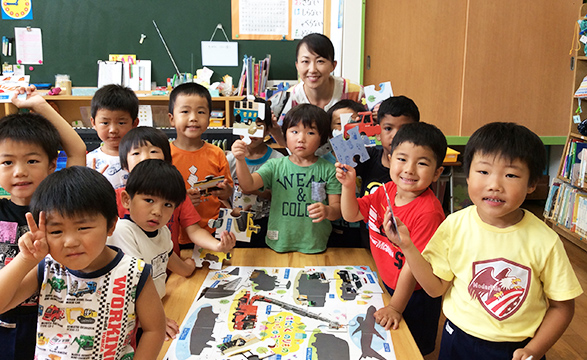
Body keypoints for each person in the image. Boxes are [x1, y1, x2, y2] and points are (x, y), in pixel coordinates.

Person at [388, 122, 583, 360]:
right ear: (467, 176)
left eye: (511, 175)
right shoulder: (454, 225)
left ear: (532, 183)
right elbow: (435, 287)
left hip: (518, 348)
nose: (494, 185)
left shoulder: (546, 241)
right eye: (483, 172)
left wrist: (534, 349)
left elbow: (562, 306)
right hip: (457, 339)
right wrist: (407, 246)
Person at [0, 166, 165, 359]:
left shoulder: (134, 273)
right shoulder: (47, 267)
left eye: (83, 227)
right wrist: (25, 259)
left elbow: (154, 330)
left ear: (111, 225)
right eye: (56, 232)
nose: (70, 242)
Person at [336, 122, 446, 357]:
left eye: (422, 163)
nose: (409, 169)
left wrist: (396, 306)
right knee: (390, 345)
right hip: (387, 284)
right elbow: (352, 214)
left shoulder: (428, 212)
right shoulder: (385, 190)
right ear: (390, 157)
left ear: (437, 172)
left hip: (416, 295)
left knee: (413, 350)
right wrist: (348, 186)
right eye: (402, 159)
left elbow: (412, 266)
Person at [0, 86, 87, 360]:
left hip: (50, 319)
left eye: (32, 160)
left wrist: (40, 105)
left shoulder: (61, 207)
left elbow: (78, 150)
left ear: (52, 166)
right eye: (7, 162)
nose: (20, 171)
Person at [232, 104, 341, 253]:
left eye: (310, 133)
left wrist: (327, 211)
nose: (301, 139)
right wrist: (239, 159)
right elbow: (248, 185)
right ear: (285, 134)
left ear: (322, 138)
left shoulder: (329, 169)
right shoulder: (275, 165)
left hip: (315, 243)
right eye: (294, 131)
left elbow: (337, 210)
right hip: (278, 242)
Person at [107, 159, 195, 341]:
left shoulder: (161, 231)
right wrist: (155, 321)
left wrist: (189, 268)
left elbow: (168, 257)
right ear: (126, 200)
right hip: (134, 320)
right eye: (149, 200)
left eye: (167, 205)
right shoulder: (123, 231)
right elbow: (133, 284)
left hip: (158, 307)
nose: (157, 211)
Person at [117, 127, 236, 256]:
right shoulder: (117, 197)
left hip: (171, 268)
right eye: (136, 153)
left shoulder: (177, 195)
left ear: (167, 160)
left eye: (153, 151)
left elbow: (194, 230)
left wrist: (217, 245)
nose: (146, 157)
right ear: (124, 164)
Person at [168, 83, 233, 245]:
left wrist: (225, 191)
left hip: (214, 231)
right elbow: (160, 197)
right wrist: (182, 200)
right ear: (171, 118)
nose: (193, 118)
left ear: (209, 118)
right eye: (185, 111)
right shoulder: (164, 155)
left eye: (201, 112)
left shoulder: (217, 153)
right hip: (177, 234)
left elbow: (228, 193)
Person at [272, 33, 365, 146]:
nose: (312, 69)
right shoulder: (289, 98)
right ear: (297, 65)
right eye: (305, 61)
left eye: (320, 61)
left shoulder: (356, 93)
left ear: (333, 65)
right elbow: (288, 144)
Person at [355, 95, 420, 248]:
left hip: (403, 250)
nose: (395, 135)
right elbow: (345, 163)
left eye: (404, 129)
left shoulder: (416, 172)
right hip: (369, 243)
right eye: (388, 128)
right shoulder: (368, 157)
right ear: (378, 132)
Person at [226, 97, 284, 248]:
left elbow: (281, 195)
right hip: (236, 221)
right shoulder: (229, 160)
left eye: (259, 125)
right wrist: (230, 210)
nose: (251, 130)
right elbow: (223, 193)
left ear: (268, 128)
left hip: (266, 223)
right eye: (245, 124)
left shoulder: (278, 160)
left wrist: (258, 191)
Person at [324, 99, 366, 247]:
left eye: (351, 122)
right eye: (339, 123)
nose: (345, 128)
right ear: (330, 132)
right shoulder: (323, 162)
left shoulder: (369, 160)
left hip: (363, 228)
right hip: (332, 229)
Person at [86, 84, 139, 189]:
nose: (113, 130)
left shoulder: (141, 157)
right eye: (105, 123)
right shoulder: (89, 161)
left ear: (134, 123)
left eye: (121, 123)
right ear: (93, 123)